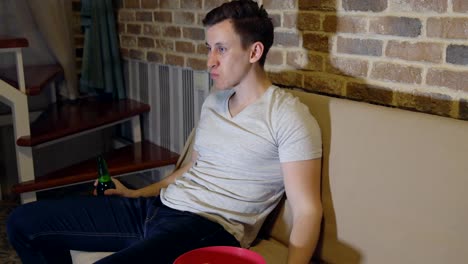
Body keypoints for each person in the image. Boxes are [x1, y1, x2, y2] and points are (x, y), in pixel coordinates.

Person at [7, 0, 323, 263]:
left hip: (208, 227)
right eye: (208, 48)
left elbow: (307, 209)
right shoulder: (214, 101)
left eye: (221, 49)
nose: (209, 60)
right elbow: (191, 168)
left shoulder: (287, 116)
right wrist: (135, 193)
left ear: (254, 52)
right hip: (158, 207)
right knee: (23, 223)